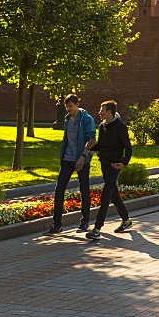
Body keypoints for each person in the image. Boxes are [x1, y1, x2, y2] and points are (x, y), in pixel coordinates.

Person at [44, 94, 96, 235]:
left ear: (77, 104)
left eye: (71, 106)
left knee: (84, 190)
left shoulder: (86, 119)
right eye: (67, 106)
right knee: (59, 190)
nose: (68, 109)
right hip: (67, 159)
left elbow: (91, 140)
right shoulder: (67, 119)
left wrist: (83, 157)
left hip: (81, 159)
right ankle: (57, 225)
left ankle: (84, 222)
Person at [84, 100, 133, 241]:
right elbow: (102, 146)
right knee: (113, 194)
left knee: (105, 195)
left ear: (110, 112)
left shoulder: (121, 127)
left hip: (115, 165)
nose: (99, 112)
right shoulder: (103, 126)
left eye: (102, 110)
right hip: (104, 164)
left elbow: (128, 148)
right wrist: (90, 147)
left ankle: (97, 228)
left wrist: (123, 163)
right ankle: (126, 220)